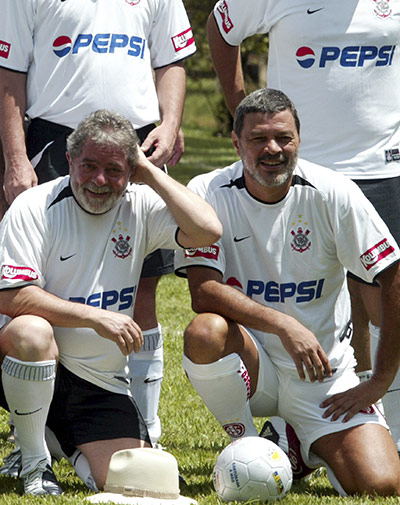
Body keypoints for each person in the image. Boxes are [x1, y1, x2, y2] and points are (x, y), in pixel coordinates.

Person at [175, 89, 400, 496]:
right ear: (236, 143)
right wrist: (282, 325)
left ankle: (295, 444)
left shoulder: (334, 192)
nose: (273, 149)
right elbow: (203, 290)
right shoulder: (207, 190)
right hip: (252, 363)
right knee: (204, 332)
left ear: (299, 138)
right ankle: (248, 444)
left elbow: (391, 275)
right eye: (259, 139)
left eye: (284, 137)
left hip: (322, 376)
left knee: (380, 485)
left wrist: (379, 380)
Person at [0, 0, 196, 447]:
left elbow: (170, 60)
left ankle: (146, 423)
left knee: (142, 292)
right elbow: (8, 73)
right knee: (38, 290)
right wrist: (15, 159)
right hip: (58, 141)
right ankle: (30, 427)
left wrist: (169, 123)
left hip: (138, 141)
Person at [206, 0, 400, 450]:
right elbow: (221, 27)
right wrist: (244, 110)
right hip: (301, 167)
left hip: (383, 166)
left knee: (383, 300)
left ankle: (381, 418)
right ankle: (301, 415)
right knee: (317, 292)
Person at [0, 109, 222, 495]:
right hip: (21, 357)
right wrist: (94, 318)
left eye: (115, 169)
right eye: (89, 166)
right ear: (69, 161)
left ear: (131, 169)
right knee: (32, 332)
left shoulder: (140, 205)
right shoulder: (34, 207)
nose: (100, 180)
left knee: (141, 485)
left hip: (98, 381)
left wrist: (151, 173)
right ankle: (35, 462)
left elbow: (208, 230)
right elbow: (12, 296)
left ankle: (51, 433)